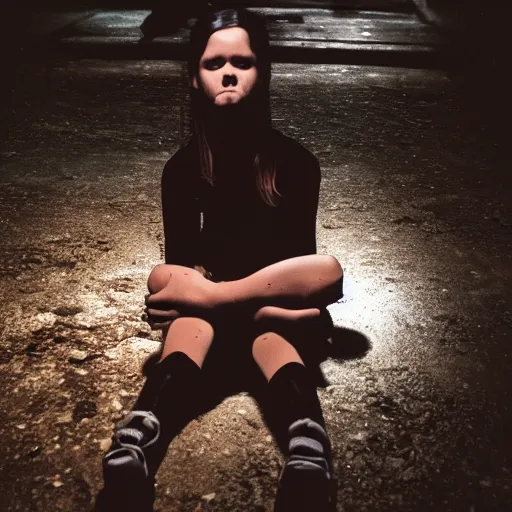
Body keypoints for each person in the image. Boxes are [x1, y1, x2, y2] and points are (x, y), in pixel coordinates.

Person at [97, 8, 343, 512]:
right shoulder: (183, 170)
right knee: (182, 304)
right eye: (214, 63)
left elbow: (312, 270)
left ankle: (306, 447)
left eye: (243, 61)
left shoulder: (295, 163)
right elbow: (174, 273)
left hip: (268, 306)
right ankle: (137, 439)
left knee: (292, 307)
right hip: (229, 310)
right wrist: (198, 293)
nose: (229, 72)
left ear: (264, 71)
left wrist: (212, 294)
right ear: (194, 76)